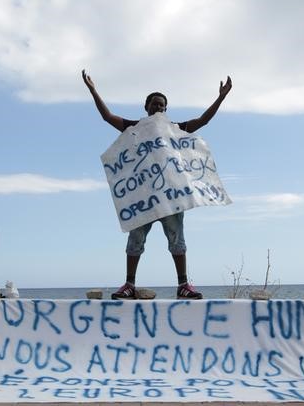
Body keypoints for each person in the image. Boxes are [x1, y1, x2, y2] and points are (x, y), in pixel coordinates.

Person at [82, 69, 232, 300]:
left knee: (177, 239)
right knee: (135, 240)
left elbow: (202, 121)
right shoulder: (135, 128)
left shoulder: (174, 129)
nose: (158, 108)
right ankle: (129, 285)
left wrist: (220, 97)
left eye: (162, 105)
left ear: (166, 109)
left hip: (171, 198)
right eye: (154, 104)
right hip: (144, 198)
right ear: (146, 108)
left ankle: (183, 285)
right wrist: (93, 90)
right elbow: (108, 117)